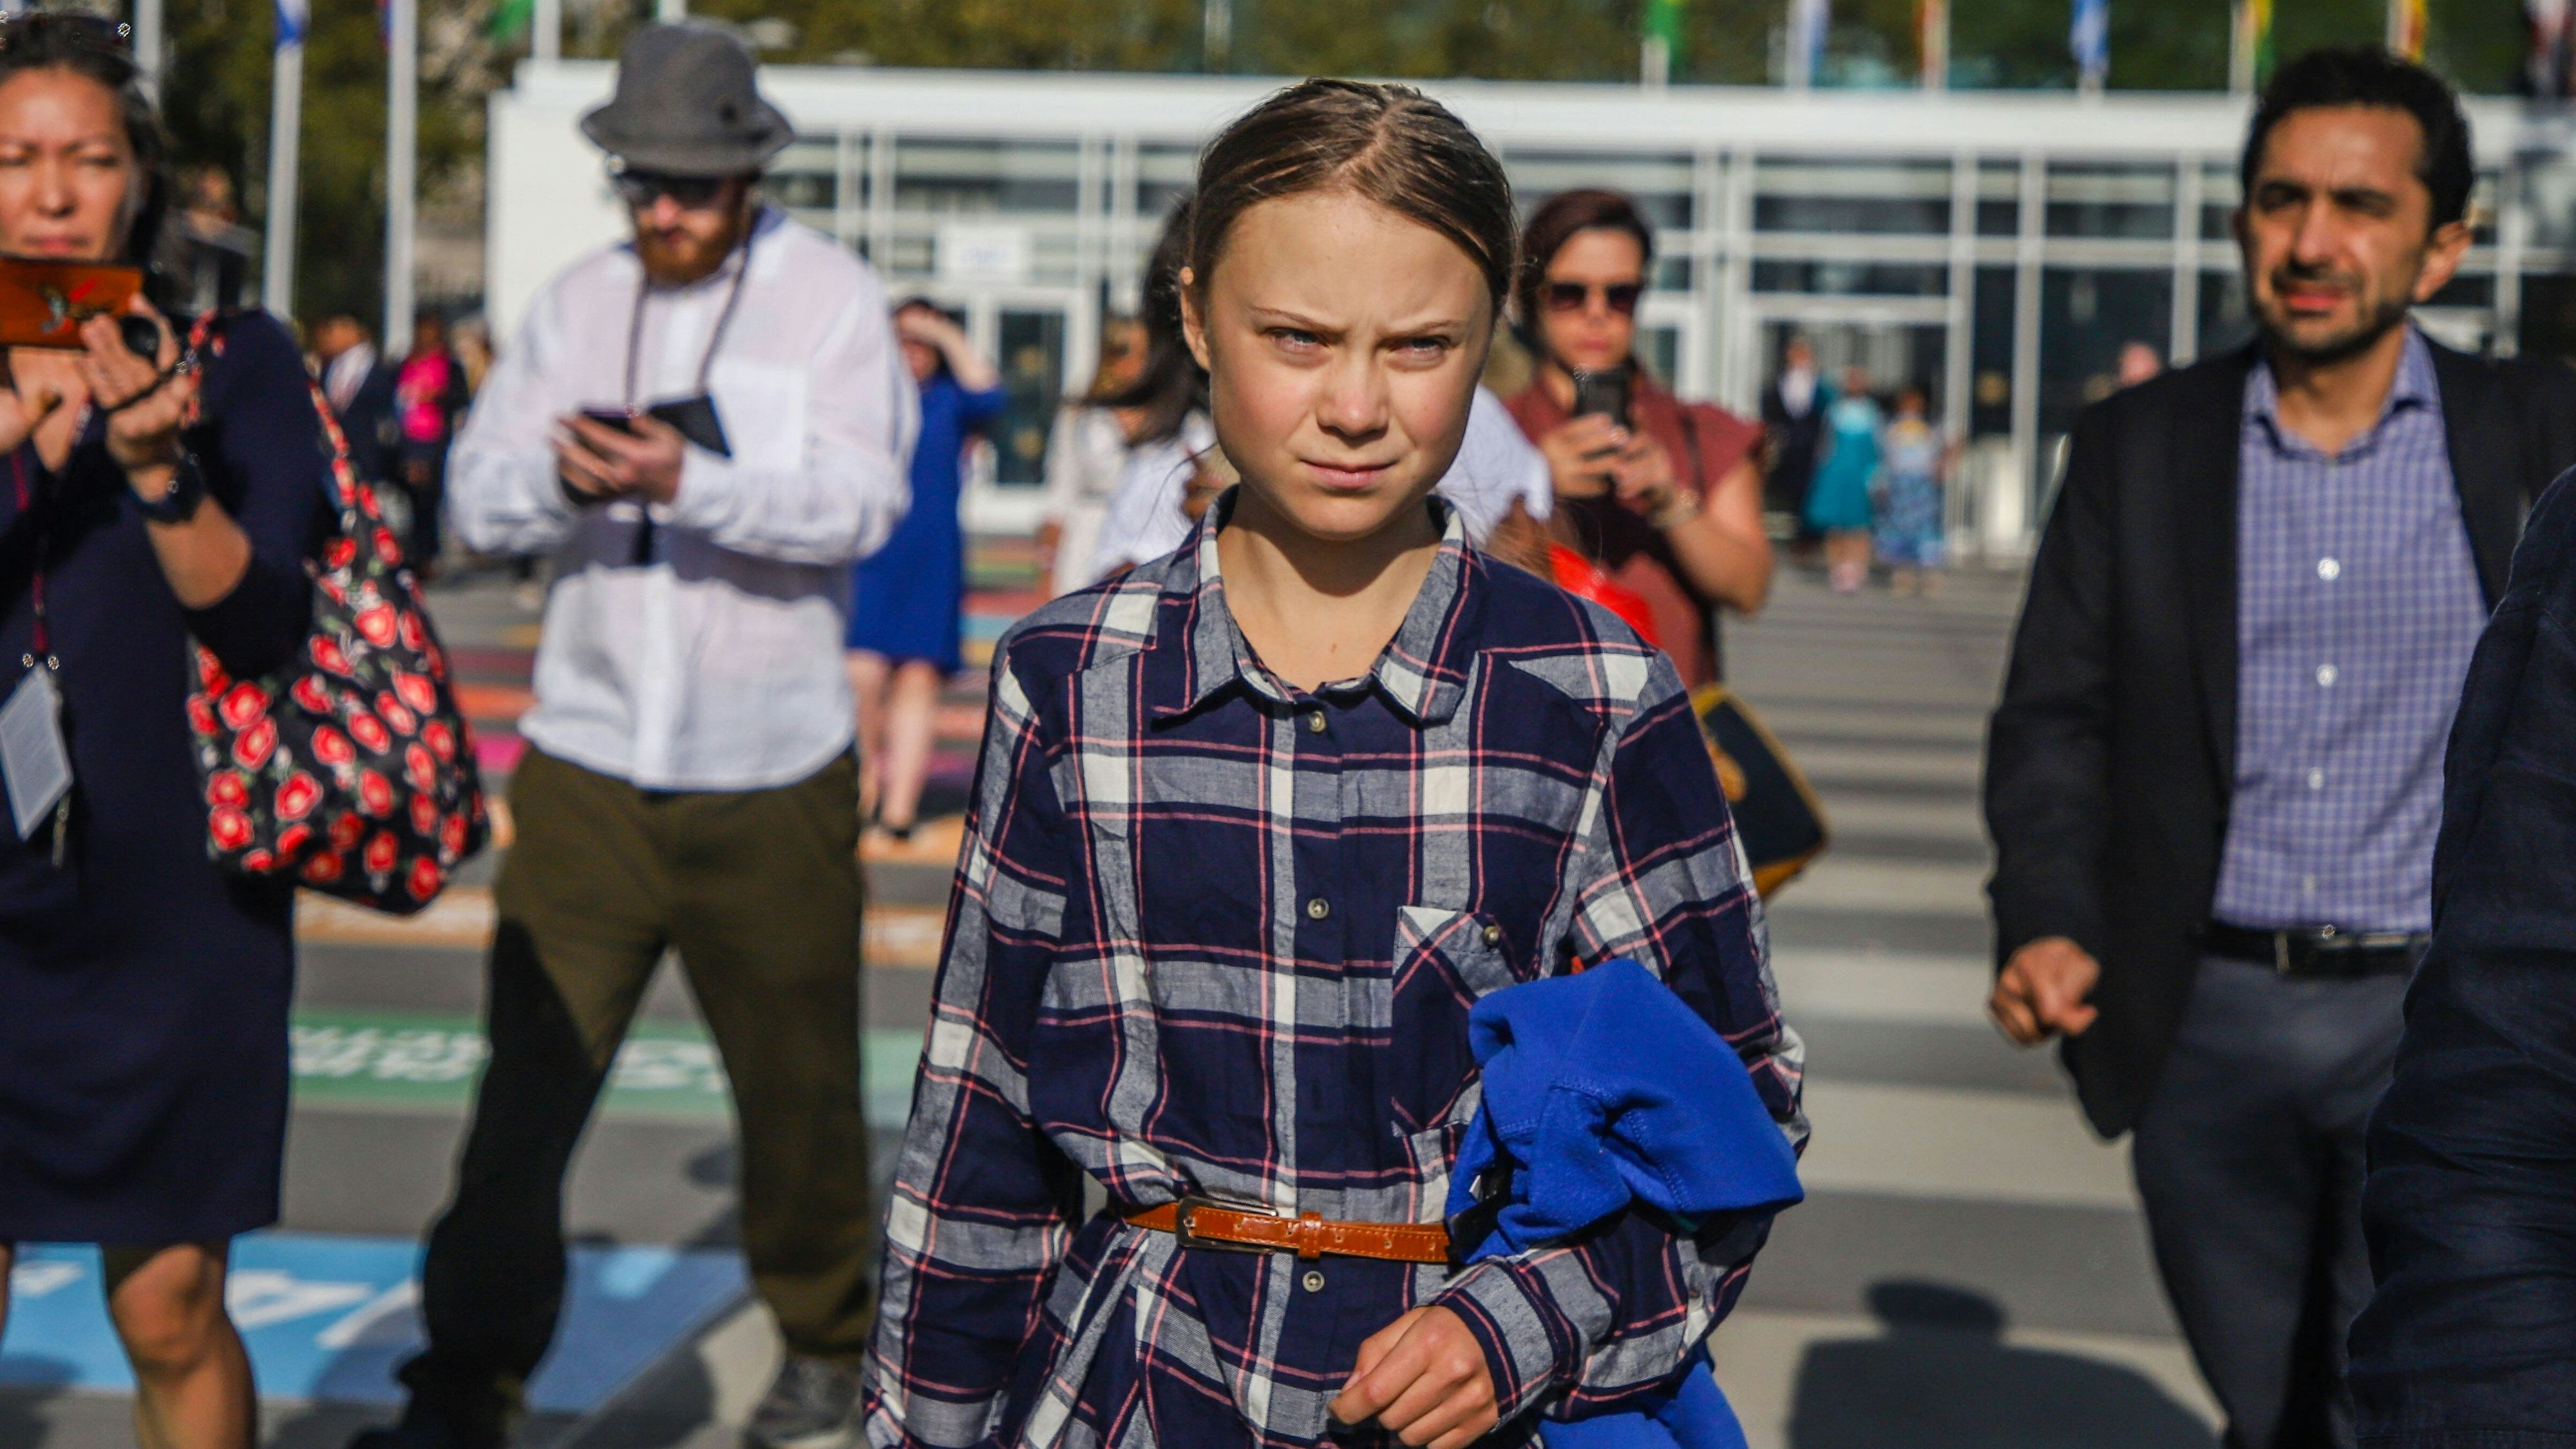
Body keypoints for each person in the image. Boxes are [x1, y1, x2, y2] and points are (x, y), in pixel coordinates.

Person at [860, 77, 1802, 1449]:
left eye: (1419, 346)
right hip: (1133, 1396)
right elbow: (976, 1145)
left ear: (1489, 343)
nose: (1354, 405)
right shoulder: (1068, 683)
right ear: (1192, 317)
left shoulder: (1591, 694)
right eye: (1295, 338)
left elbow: (1737, 1107)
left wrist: (1521, 1320)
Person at [1982, 48, 2576, 1449]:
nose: (2311, 242)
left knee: (2416, 1395)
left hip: (2444, 1022)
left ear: (2440, 244)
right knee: (2262, 1399)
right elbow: (2056, 715)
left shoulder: (2537, 435)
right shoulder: (2136, 446)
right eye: (2279, 199)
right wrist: (2049, 920)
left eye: (2358, 206)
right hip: (2206, 1022)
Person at [360, 25, 916, 1449]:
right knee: (524, 1092)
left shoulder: (829, 300)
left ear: (746, 175)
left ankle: (824, 1336)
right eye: (642, 185)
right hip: (590, 757)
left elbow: (864, 504)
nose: (664, 212)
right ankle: (467, 1375)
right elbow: (475, 499)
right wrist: (558, 473)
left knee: (795, 1086)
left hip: (770, 760)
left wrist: (698, 478)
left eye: (693, 187)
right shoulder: (573, 304)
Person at [0, 15, 332, 1449]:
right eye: (14, 158)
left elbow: (265, 624)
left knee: (172, 1305)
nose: (53, 193)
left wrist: (151, 464)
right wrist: (23, 437)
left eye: (89, 158)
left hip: (178, 901)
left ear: (142, 177)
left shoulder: (237, 359)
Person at [1504, 187, 1771, 689]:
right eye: (1570, 293)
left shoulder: (1697, 429)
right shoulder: (1489, 427)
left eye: (1620, 294)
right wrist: (1531, 485)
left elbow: (1749, 588)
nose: (1597, 313)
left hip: (1666, 736)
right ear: (1532, 296)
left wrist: (1671, 500)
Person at [847, 301, 1003, 842]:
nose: (911, 352)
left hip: (930, 559)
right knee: (860, 677)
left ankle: (899, 810)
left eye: (921, 343)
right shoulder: (862, 397)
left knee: (918, 681)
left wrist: (941, 330)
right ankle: (863, 787)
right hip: (868, 554)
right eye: (901, 340)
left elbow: (991, 393)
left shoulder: (951, 400)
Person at [1036, 315, 1144, 597]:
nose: (1134, 363)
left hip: (1148, 539)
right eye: (1123, 351)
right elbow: (1061, 487)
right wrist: (1048, 567)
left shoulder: (1171, 410)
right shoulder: (1083, 411)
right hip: (1088, 538)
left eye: (1144, 352)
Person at [392, 309, 471, 573]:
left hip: (435, 439)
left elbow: (460, 398)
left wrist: (436, 396)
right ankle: (416, 550)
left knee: (429, 498)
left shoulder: (450, 365)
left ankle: (427, 554)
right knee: (414, 499)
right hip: (408, 439)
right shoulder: (406, 362)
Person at [1803, 366, 1880, 594]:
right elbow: (1825, 441)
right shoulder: (1834, 408)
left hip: (1860, 470)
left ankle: (1857, 566)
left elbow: (1876, 445)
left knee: (1859, 524)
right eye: (1850, 381)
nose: (1854, 384)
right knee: (1835, 524)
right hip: (1837, 470)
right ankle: (1838, 567)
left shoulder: (1871, 411)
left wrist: (1876, 474)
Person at [1873, 383, 1950, 596]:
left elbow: (1952, 443)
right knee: (1898, 527)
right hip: (1900, 483)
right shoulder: (1891, 425)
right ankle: (1903, 575)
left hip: (1922, 483)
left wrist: (1942, 466)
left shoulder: (1931, 425)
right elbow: (1883, 455)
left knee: (1926, 528)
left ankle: (1930, 575)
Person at [312, 312, 398, 486]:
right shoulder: (330, 369)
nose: (329, 337)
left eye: (333, 330)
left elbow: (386, 422)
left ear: (352, 330)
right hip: (335, 464)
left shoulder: (380, 369)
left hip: (369, 464)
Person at [1761, 334, 1830, 533]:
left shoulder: (1820, 384)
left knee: (1812, 489)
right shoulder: (1779, 383)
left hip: (1813, 446)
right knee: (1789, 488)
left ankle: (1809, 532)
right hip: (1789, 446)